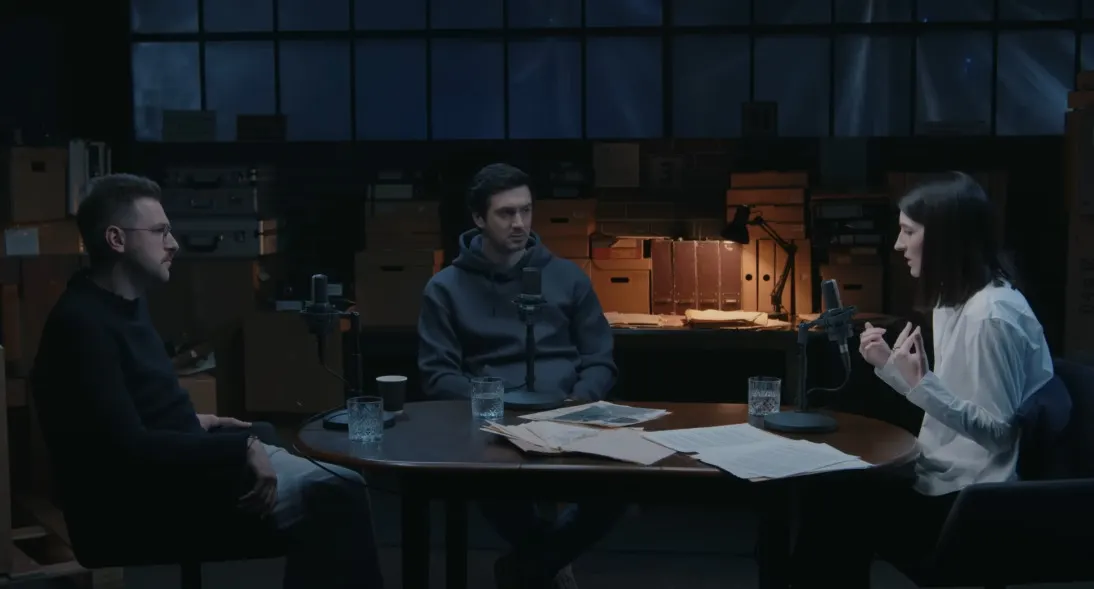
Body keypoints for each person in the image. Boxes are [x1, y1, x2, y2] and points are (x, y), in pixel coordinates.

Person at [30, 174, 383, 589]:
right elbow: (125, 449)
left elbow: (124, 411)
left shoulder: (124, 305)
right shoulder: (82, 326)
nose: (173, 244)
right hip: (146, 504)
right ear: (116, 239)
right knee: (340, 492)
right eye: (160, 231)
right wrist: (241, 447)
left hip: (176, 471)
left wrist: (200, 423)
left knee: (293, 458)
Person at [790, 172, 1054, 588]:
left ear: (945, 239)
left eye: (909, 231)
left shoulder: (990, 316)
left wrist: (918, 383)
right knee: (825, 493)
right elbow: (945, 400)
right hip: (938, 474)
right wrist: (891, 369)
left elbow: (999, 434)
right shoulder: (953, 303)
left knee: (831, 508)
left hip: (971, 501)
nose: (898, 244)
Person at [418, 163, 625, 589]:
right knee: (493, 478)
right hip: (495, 423)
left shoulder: (567, 277)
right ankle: (546, 562)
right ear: (478, 218)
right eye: (506, 213)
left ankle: (532, 564)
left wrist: (579, 400)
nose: (519, 223)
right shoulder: (445, 288)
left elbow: (600, 357)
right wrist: (496, 407)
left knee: (624, 482)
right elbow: (438, 374)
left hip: (569, 413)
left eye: (526, 211)